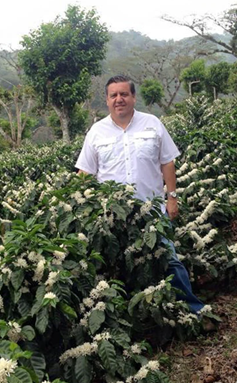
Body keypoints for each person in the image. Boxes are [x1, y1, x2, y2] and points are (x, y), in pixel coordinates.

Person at [75, 75, 204, 314]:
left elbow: (167, 162)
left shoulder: (152, 124)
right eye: (113, 95)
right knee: (119, 264)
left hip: (152, 211)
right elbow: (86, 173)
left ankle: (193, 310)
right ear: (107, 100)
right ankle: (136, 314)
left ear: (134, 97)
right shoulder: (96, 132)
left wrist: (172, 197)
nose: (119, 99)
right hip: (112, 215)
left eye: (124, 94)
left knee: (168, 259)